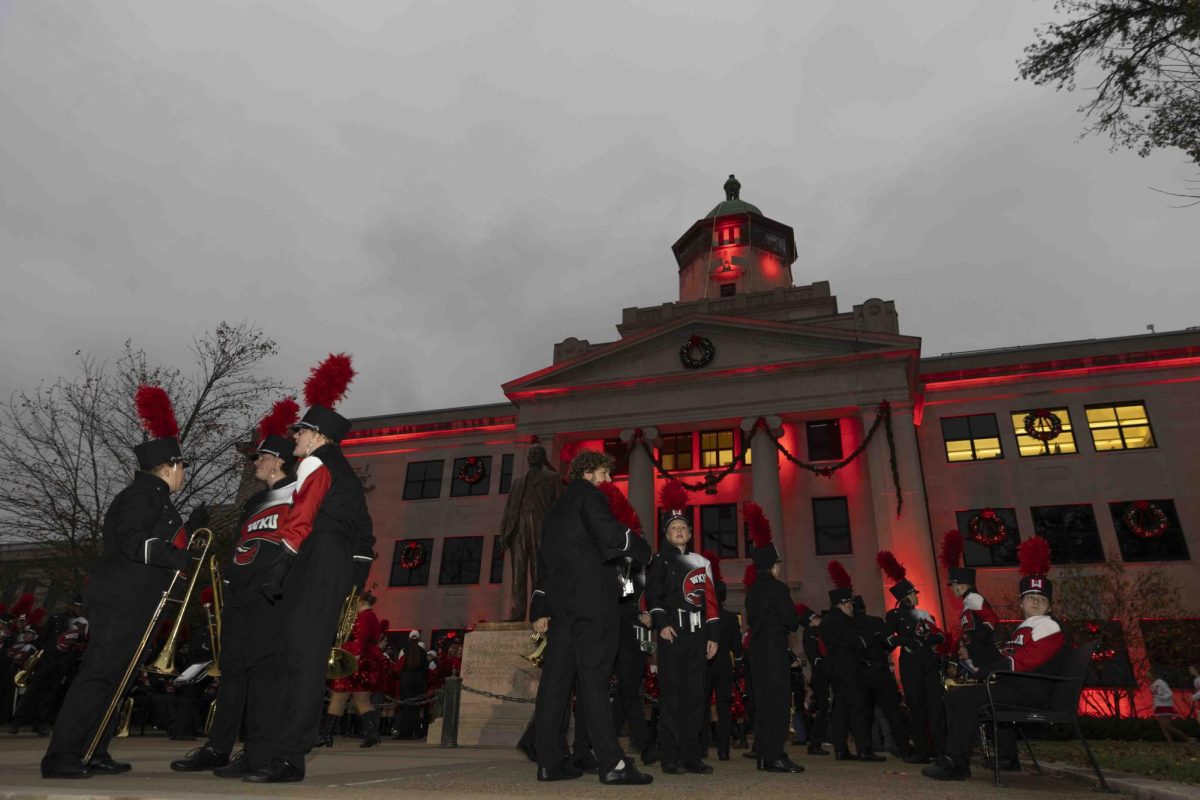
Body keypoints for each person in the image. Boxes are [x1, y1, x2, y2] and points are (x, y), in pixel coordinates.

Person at [42, 385, 204, 779]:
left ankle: (94, 747)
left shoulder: (156, 499)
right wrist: (180, 556)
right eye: (182, 468)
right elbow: (136, 542)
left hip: (138, 598)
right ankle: (62, 756)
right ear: (168, 467)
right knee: (100, 673)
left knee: (119, 677)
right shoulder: (142, 496)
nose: (183, 475)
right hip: (123, 597)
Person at [244, 355, 375, 783]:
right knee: (305, 659)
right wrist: (352, 583)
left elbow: (300, 520)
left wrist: (277, 570)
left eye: (299, 430)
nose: (294, 436)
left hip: (315, 558)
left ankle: (289, 757)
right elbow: (364, 537)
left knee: (299, 661)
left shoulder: (315, 463)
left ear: (316, 436)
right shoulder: (346, 473)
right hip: (333, 564)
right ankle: (286, 753)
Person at [170, 401, 298, 776]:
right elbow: (244, 545)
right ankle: (217, 747)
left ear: (280, 460)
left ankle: (256, 751)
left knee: (262, 676)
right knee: (232, 673)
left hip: (271, 597)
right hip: (239, 597)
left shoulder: (299, 494)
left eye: (262, 457)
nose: (256, 461)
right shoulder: (255, 500)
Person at [531, 450, 653, 785]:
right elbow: (611, 534)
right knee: (595, 682)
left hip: (562, 605)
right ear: (590, 471)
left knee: (554, 684)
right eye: (605, 473)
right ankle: (613, 765)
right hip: (592, 603)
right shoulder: (589, 496)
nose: (609, 480)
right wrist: (643, 550)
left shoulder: (554, 510)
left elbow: (545, 563)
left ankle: (550, 762)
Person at [923, 536, 1068, 781]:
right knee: (958, 697)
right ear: (1021, 602)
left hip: (1031, 692)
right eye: (1030, 597)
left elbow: (1024, 661)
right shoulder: (1027, 626)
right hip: (1018, 686)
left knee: (962, 698)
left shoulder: (1048, 625)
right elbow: (1012, 656)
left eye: (1041, 599)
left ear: (1050, 606)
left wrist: (984, 670)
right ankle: (955, 758)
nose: (1035, 601)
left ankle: (955, 763)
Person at [645, 510, 719, 775]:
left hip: (698, 636)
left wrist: (713, 636)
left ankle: (692, 756)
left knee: (696, 699)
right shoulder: (659, 560)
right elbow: (652, 597)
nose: (679, 531)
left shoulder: (702, 562)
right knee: (672, 699)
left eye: (683, 527)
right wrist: (662, 623)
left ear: (689, 533)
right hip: (673, 635)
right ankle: (670, 757)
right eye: (673, 527)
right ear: (666, 534)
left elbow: (710, 601)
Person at [743, 536, 804, 773]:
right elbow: (791, 621)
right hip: (774, 650)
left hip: (757, 652)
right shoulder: (778, 588)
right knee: (778, 703)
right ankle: (775, 756)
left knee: (763, 703)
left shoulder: (752, 591)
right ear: (774, 565)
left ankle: (763, 754)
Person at [879, 555, 944, 765]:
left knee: (935, 706)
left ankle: (939, 749)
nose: (917, 597)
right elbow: (886, 639)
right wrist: (905, 640)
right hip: (911, 663)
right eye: (913, 594)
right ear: (907, 596)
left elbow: (941, 636)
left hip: (929, 662)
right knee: (916, 706)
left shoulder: (925, 615)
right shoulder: (895, 615)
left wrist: (927, 638)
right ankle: (921, 750)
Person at [821, 572, 883, 762]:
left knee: (840, 709)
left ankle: (841, 749)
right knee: (858, 708)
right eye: (849, 605)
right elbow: (854, 643)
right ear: (840, 604)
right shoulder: (843, 621)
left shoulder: (826, 621)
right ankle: (864, 749)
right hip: (849, 669)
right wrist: (869, 639)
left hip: (835, 670)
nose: (852, 609)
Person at [498, 445, 564, 621]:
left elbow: (560, 507)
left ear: (543, 457)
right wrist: (503, 532)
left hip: (541, 525)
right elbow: (509, 508)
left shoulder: (552, 478)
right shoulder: (519, 482)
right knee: (518, 572)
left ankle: (539, 611)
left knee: (538, 571)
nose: (531, 456)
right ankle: (518, 611)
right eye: (530, 453)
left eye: (536, 453)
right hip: (518, 527)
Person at [318, 592, 383, 748]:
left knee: (338, 697)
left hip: (353, 659)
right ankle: (371, 734)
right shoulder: (372, 617)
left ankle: (326, 735)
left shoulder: (363, 617)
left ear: (359, 602)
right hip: (366, 660)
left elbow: (359, 637)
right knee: (362, 700)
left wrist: (353, 656)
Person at [707, 580, 742, 761]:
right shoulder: (730, 618)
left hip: (705, 663)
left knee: (703, 706)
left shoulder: (704, 616)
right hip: (724, 664)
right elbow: (737, 647)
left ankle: (701, 747)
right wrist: (738, 662)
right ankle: (723, 750)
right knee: (724, 708)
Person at [797, 605, 830, 756]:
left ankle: (817, 741)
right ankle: (815, 742)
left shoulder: (817, 632)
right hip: (820, 675)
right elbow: (814, 655)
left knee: (824, 708)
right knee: (823, 708)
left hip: (821, 674)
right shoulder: (810, 633)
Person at [1149, 668, 1193, 743]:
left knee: (1167, 725)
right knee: (1163, 727)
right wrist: (1154, 706)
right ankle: (1170, 742)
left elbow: (1170, 693)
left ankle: (1187, 738)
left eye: (1148, 673)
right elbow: (1155, 697)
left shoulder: (1161, 682)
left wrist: (1161, 697)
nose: (1147, 675)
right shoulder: (1152, 684)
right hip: (1158, 706)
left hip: (1165, 706)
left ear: (1153, 674)